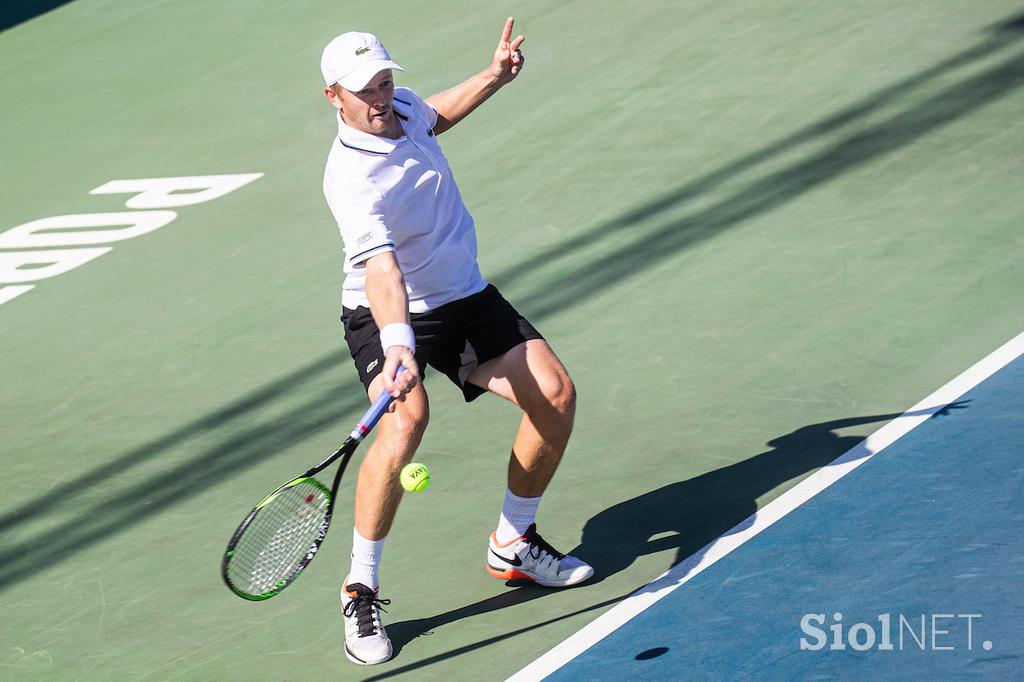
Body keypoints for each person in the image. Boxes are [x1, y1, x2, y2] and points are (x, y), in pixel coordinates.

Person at [320, 18, 593, 666]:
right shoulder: (351, 178)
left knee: (554, 395)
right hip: (386, 312)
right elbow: (382, 271)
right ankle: (360, 587)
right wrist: (397, 345)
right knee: (405, 422)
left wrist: (494, 77)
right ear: (334, 96)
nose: (381, 97)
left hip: (462, 294)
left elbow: (434, 112)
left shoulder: (401, 106)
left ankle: (513, 542)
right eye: (366, 90)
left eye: (386, 81)